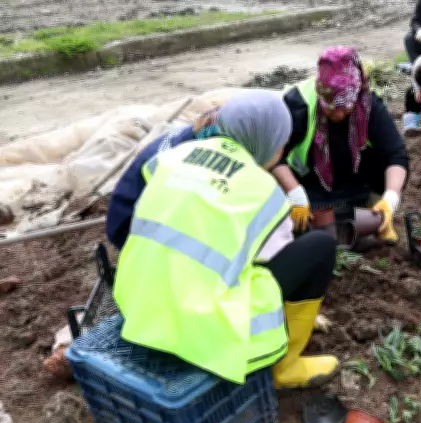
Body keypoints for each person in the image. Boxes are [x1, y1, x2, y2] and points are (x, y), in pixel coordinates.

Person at [106, 90, 339, 388]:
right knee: (319, 247)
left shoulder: (173, 157)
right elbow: (273, 258)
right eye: (281, 142)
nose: (282, 150)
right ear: (266, 142)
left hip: (137, 306)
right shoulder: (263, 192)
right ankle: (285, 367)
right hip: (199, 331)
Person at [272, 46, 409, 241]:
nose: (337, 115)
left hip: (357, 178)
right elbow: (272, 155)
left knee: (390, 164)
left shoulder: (369, 104)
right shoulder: (298, 104)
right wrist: (295, 193)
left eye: (344, 108)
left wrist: (390, 199)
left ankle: (375, 212)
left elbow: (396, 154)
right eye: (329, 108)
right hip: (310, 182)